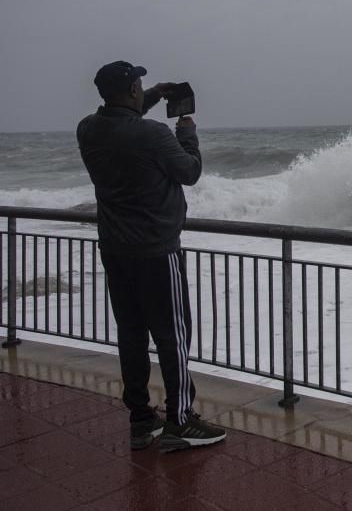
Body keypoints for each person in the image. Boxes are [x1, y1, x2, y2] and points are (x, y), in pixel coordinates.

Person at [77, 60, 226, 452]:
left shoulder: (88, 129)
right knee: (172, 336)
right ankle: (180, 421)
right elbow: (189, 171)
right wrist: (188, 134)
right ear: (130, 92)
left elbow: (120, 122)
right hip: (157, 252)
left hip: (115, 250)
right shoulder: (155, 135)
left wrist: (155, 94)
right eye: (140, 86)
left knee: (131, 335)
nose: (142, 89)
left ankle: (142, 421)